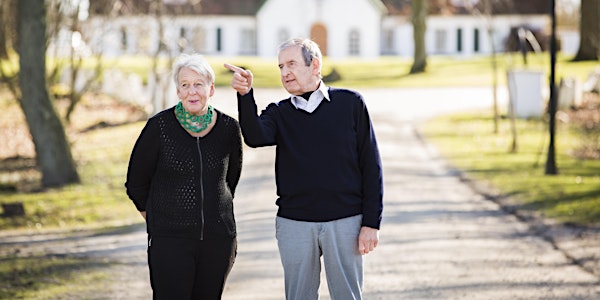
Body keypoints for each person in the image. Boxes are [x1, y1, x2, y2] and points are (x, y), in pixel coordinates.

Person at [224, 37, 383, 300]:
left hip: (345, 221)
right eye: (280, 67)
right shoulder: (279, 113)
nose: (285, 72)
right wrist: (245, 95)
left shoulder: (350, 103)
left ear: (315, 65)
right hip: (294, 223)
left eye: (291, 64)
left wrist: (371, 222)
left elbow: (371, 165)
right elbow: (254, 136)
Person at [125, 53, 243, 299]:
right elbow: (136, 183)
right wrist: (158, 218)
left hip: (218, 240)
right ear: (178, 91)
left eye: (199, 84)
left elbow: (230, 180)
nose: (192, 91)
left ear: (211, 89)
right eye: (185, 85)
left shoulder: (229, 128)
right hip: (170, 241)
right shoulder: (159, 127)